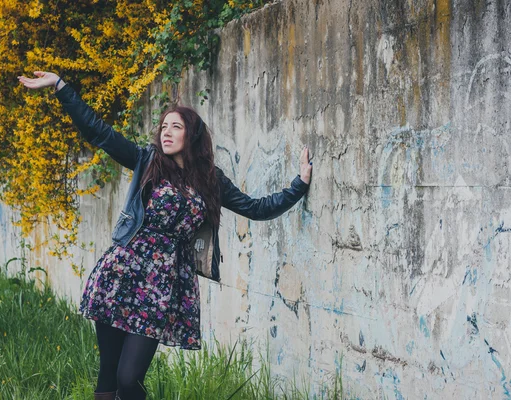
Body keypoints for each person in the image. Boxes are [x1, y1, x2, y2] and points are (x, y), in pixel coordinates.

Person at [18, 71, 312, 400]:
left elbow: (256, 208)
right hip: (123, 272)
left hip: (162, 283)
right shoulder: (148, 161)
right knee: (109, 374)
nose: (166, 132)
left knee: (129, 379)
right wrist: (60, 86)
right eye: (164, 126)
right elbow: (98, 132)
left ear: (192, 134)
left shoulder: (211, 180)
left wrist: (299, 184)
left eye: (176, 126)